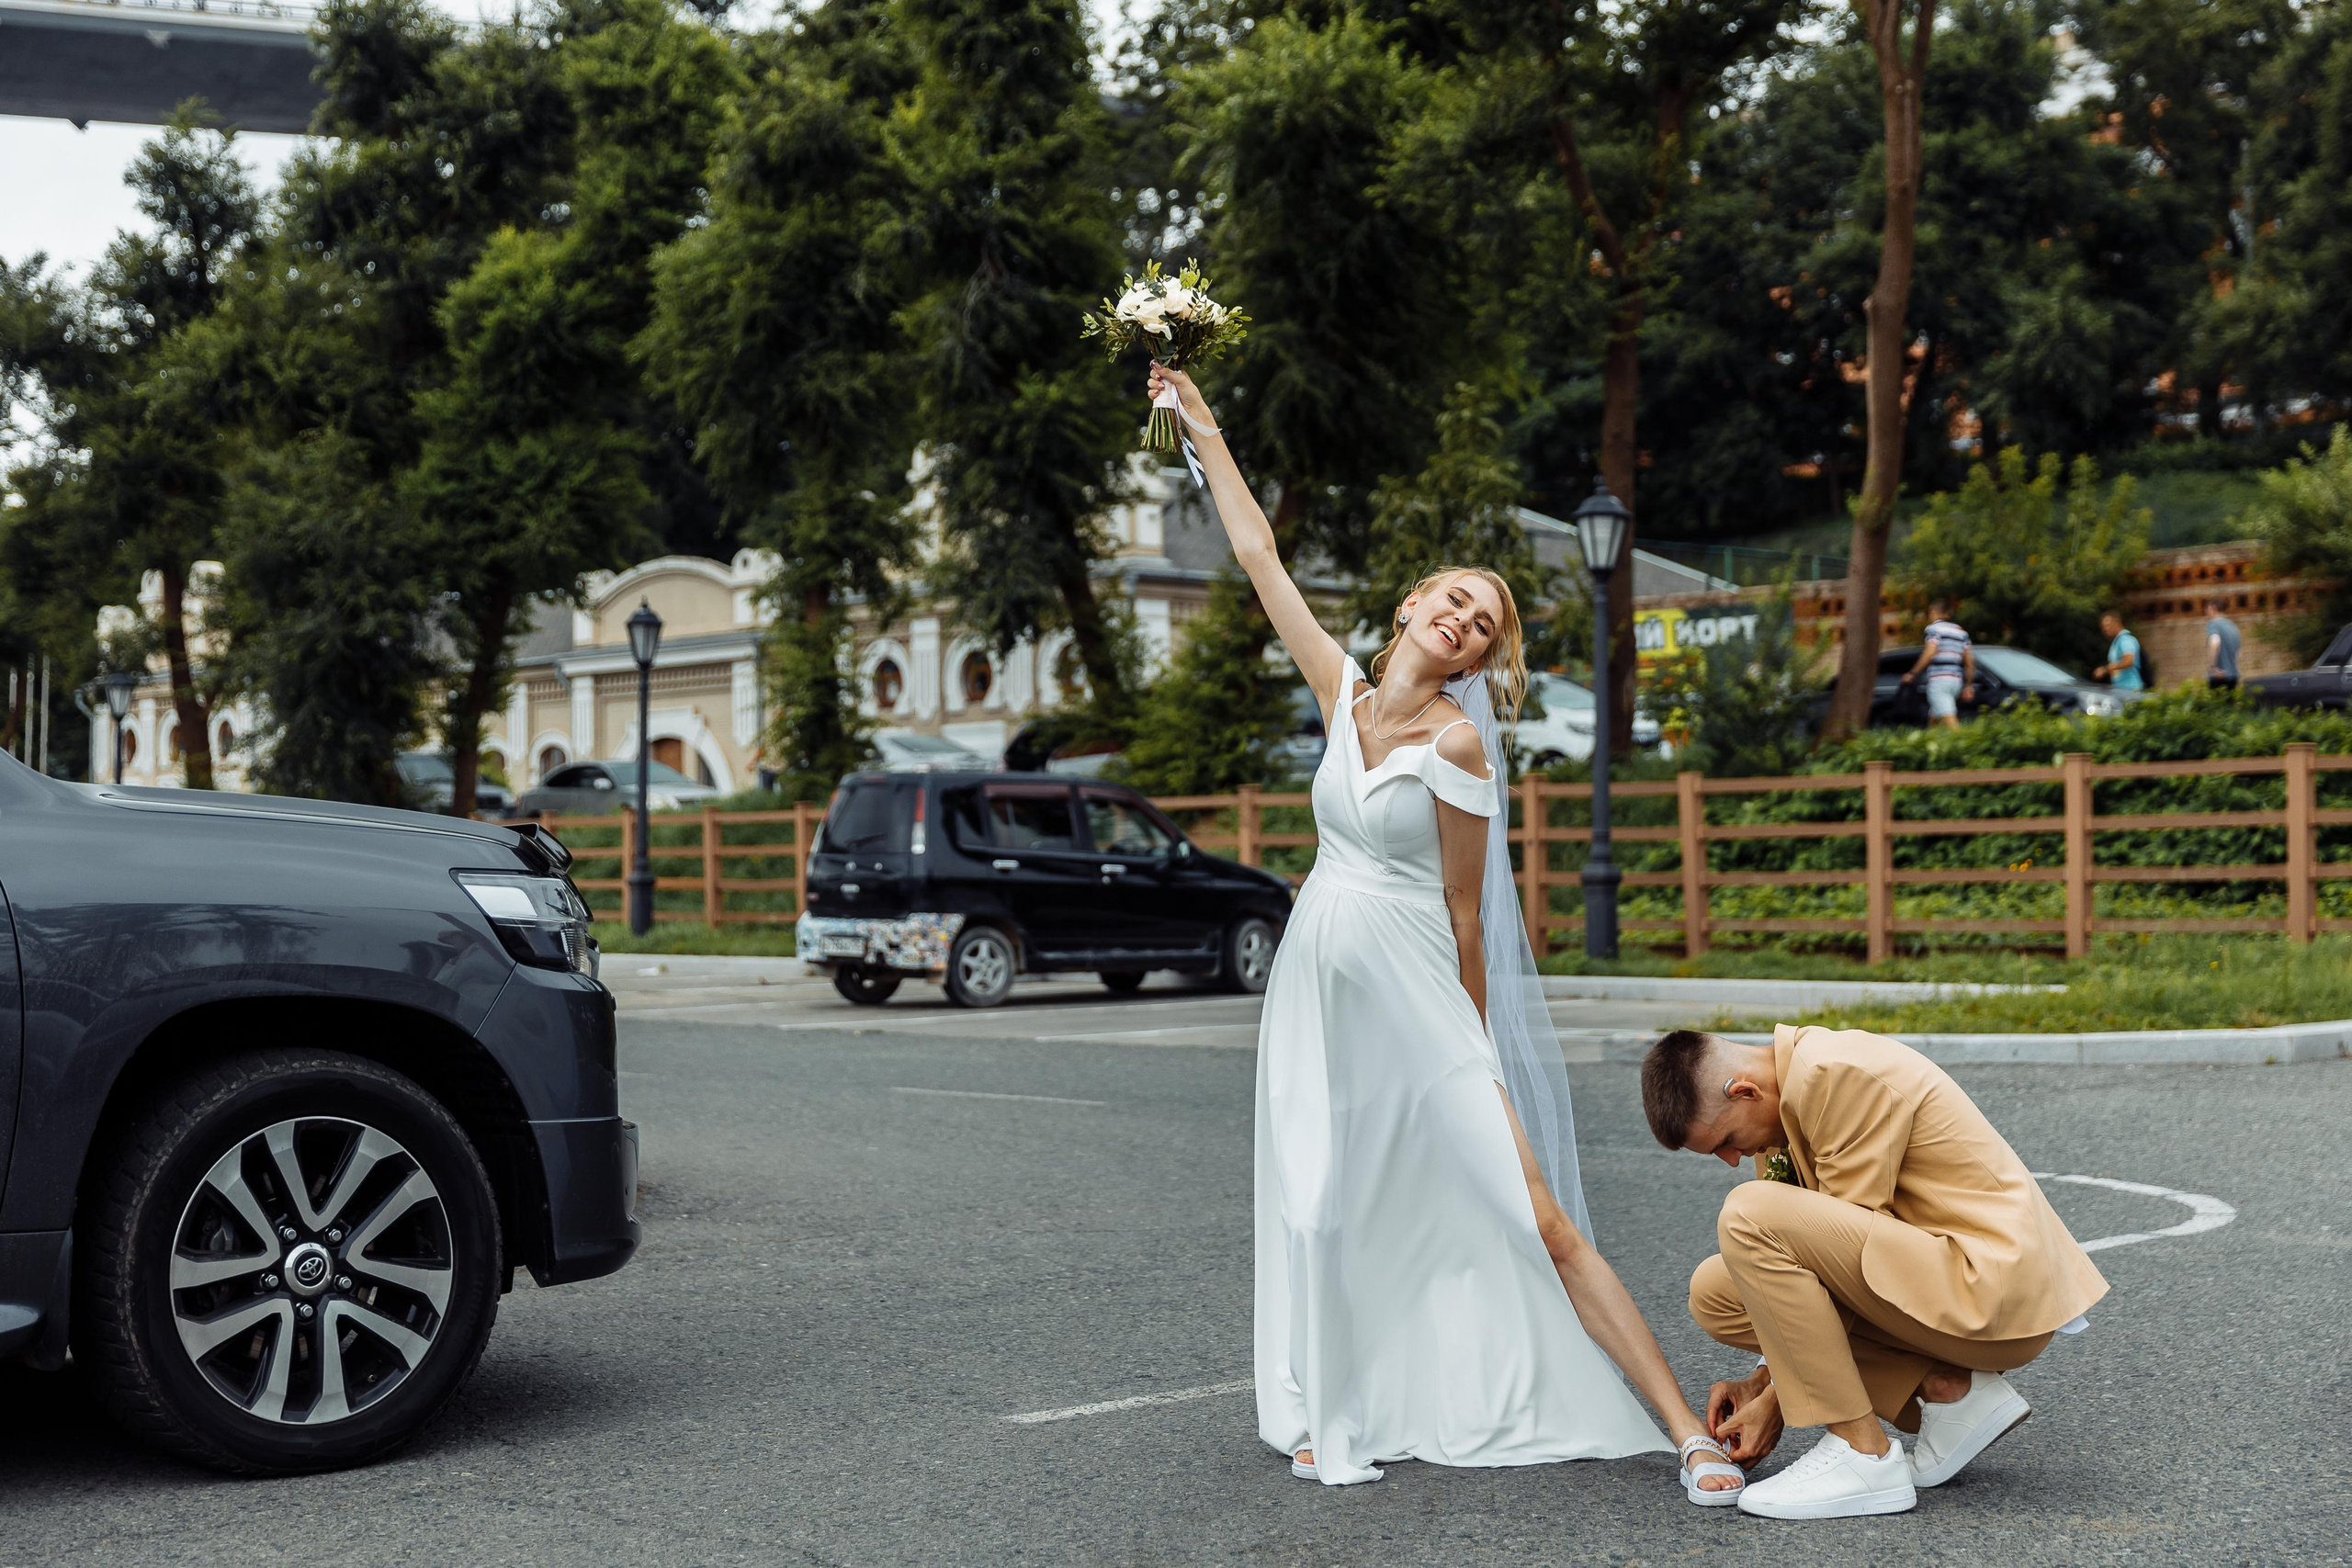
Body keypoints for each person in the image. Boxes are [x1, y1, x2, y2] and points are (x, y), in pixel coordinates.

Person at [1148, 361, 1744, 1502]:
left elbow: (1466, 915)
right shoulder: (1340, 697)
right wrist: (1203, 427)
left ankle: (1685, 1433)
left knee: (1539, 1218)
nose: (1462, 620)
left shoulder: (1458, 748)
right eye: (1455, 600)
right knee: (1320, 1203)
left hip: (1420, 1002)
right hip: (1317, 994)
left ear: (1474, 660)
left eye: (1482, 625)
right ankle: (1329, 1406)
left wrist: (1474, 1049)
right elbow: (1260, 556)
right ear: (1412, 604)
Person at [1639, 1026, 2108, 1520]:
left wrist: (1776, 1403)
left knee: (1747, 1215)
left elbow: (1839, 1280)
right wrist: (1762, 1378)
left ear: (1745, 1091)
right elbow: (1805, 1275)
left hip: (1994, 1293)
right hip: (1945, 1282)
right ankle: (1950, 1390)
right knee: (1715, 1293)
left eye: (1726, 1141)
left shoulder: (1833, 1075)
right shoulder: (1784, 1103)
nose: (1732, 1160)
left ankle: (1862, 1453)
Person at [1898, 603, 1973, 729]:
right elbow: (1969, 661)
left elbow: (1930, 652)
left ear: (1934, 612)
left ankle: (1966, 741)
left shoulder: (1934, 629)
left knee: (1952, 724)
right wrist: (1969, 685)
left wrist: (1912, 673)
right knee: (1934, 719)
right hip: (1956, 681)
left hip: (1939, 680)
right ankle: (1930, 739)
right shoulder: (1961, 632)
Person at [2094, 611, 2144, 690]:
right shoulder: (2117, 642)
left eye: (2108, 625)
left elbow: (2128, 661)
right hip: (2121, 689)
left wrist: (2105, 669)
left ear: (2117, 623)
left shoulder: (2125, 640)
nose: (2105, 629)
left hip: (2130, 689)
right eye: (2103, 627)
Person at [2205, 596, 2243, 690]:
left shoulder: (2213, 624)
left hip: (2219, 676)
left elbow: (2215, 642)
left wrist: (2213, 667)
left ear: (2214, 608)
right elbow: (2238, 654)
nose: (2206, 612)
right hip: (2233, 677)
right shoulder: (2233, 627)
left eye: (2208, 609)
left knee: (2215, 699)